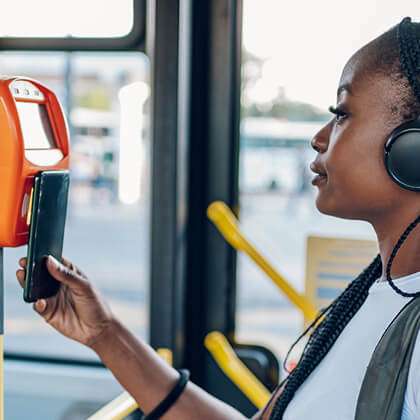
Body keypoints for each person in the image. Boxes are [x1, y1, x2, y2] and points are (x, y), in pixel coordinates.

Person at [15, 16, 420, 420]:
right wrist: (105, 334)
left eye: (342, 113)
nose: (320, 137)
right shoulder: (376, 293)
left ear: (412, 150)